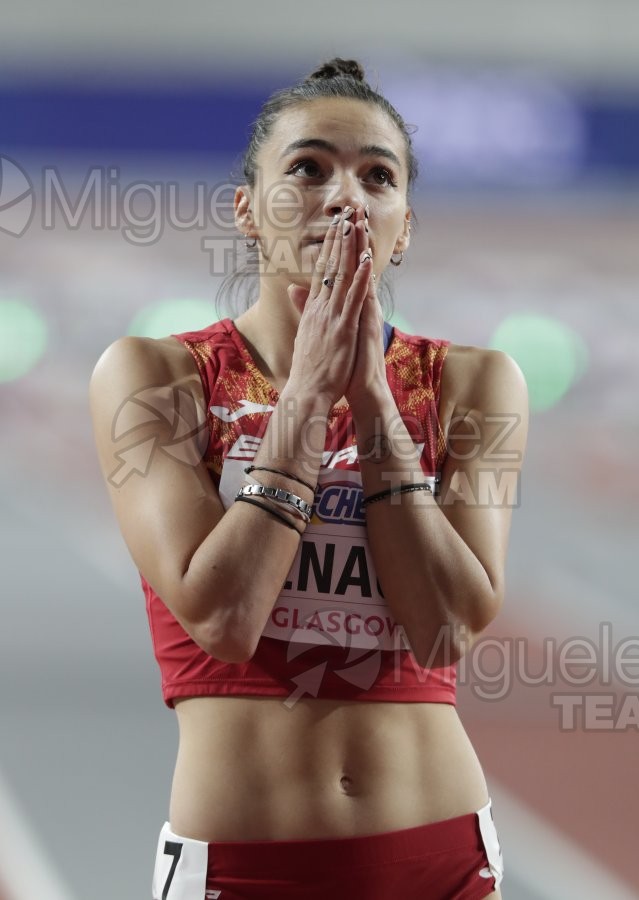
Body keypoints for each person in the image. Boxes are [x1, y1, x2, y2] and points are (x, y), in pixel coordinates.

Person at [90, 57, 528, 900]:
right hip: (246, 867)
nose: (344, 196)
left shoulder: (473, 383)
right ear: (247, 211)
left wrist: (370, 401)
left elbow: (443, 627)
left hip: (440, 859)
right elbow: (220, 615)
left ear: (402, 226)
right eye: (308, 167)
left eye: (377, 176)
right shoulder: (156, 376)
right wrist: (304, 399)